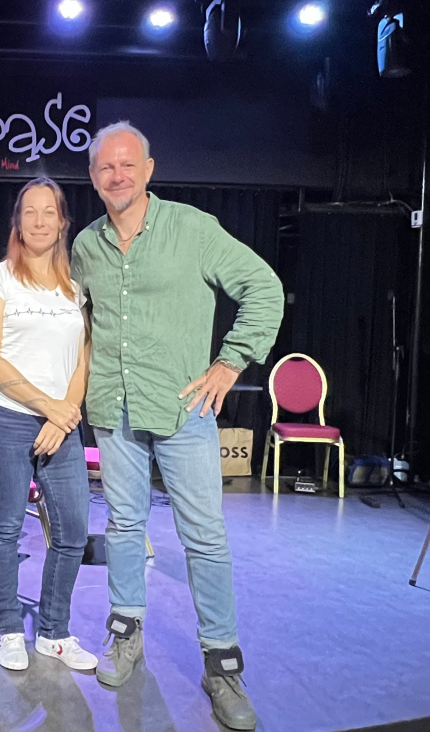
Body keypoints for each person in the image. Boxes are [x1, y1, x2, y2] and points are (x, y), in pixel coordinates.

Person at [70, 121, 284, 730]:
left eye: (127, 164)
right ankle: (125, 634)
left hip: (183, 409)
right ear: (93, 177)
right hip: (114, 409)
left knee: (205, 538)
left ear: (148, 169)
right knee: (123, 526)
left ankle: (222, 666)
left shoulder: (192, 228)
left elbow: (263, 288)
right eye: (105, 166)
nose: (117, 175)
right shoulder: (86, 245)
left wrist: (230, 361)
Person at [0, 177, 95, 672]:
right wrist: (47, 406)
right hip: (7, 418)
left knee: (73, 530)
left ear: (63, 222)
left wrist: (64, 416)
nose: (39, 221)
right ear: (17, 223)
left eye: (49, 213)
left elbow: (82, 362)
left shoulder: (76, 288)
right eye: (30, 212)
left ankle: (54, 632)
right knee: (4, 527)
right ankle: (8, 629)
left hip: (61, 425)